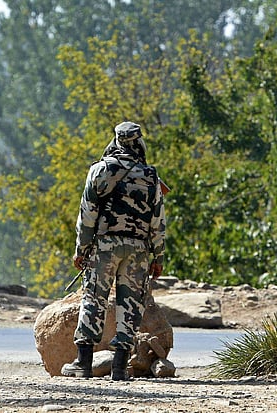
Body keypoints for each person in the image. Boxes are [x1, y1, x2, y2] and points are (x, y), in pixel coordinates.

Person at [62, 121, 166, 381]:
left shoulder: (100, 170)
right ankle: (119, 367)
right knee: (130, 306)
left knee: (94, 300)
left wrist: (81, 250)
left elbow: (87, 215)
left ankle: (83, 363)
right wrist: (158, 256)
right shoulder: (151, 176)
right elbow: (158, 221)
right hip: (139, 249)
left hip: (104, 247)